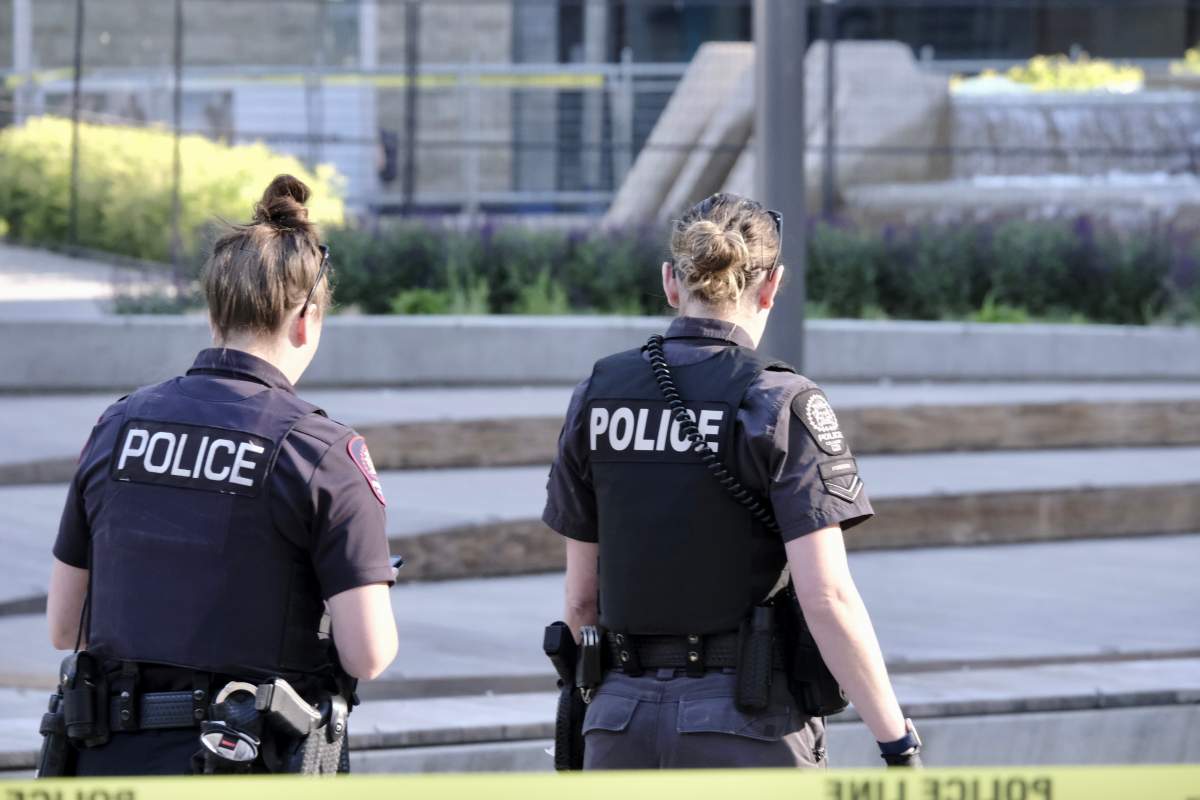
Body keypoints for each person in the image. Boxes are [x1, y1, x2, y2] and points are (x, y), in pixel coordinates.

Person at [542, 193, 921, 770]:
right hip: (746, 725)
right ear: (772, 286)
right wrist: (898, 744)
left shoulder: (597, 393)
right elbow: (827, 598)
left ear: (672, 282)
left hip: (618, 725)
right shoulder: (781, 401)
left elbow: (581, 602)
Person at [43, 175, 399, 776]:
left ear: (213, 313)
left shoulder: (118, 426)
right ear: (307, 320)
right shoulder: (323, 452)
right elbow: (368, 653)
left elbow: (64, 626)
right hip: (243, 760)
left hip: (108, 761)